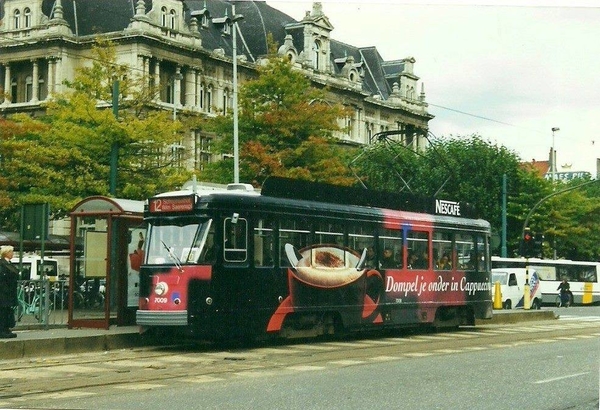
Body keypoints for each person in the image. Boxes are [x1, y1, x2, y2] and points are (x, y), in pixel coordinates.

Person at [0, 245, 19, 338]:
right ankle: (2, 329)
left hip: (8, 292)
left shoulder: (8, 264)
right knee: (3, 311)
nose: (12, 254)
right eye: (11, 252)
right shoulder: (2, 264)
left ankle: (6, 328)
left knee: (8, 311)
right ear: (6, 253)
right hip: (4, 293)